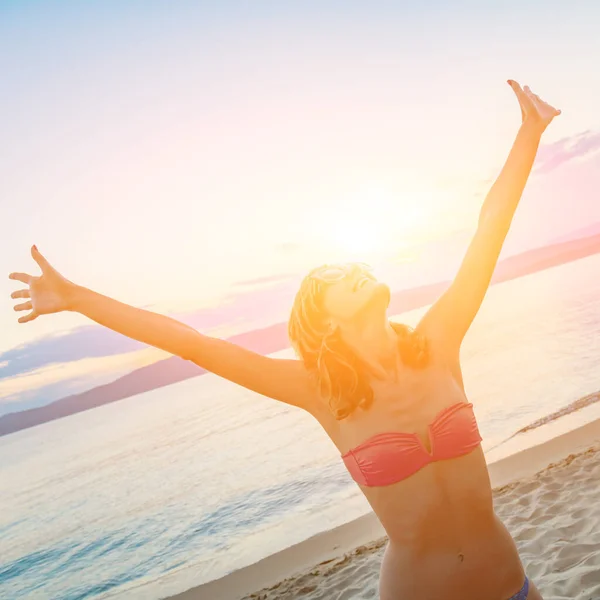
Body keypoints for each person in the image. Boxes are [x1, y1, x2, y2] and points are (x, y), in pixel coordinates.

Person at [8, 80, 560, 600]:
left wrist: (528, 133)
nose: (357, 271)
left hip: (508, 580)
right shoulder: (322, 393)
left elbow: (489, 229)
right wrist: (78, 298)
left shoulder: (438, 340)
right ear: (326, 320)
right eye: (338, 278)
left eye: (356, 265)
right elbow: (195, 344)